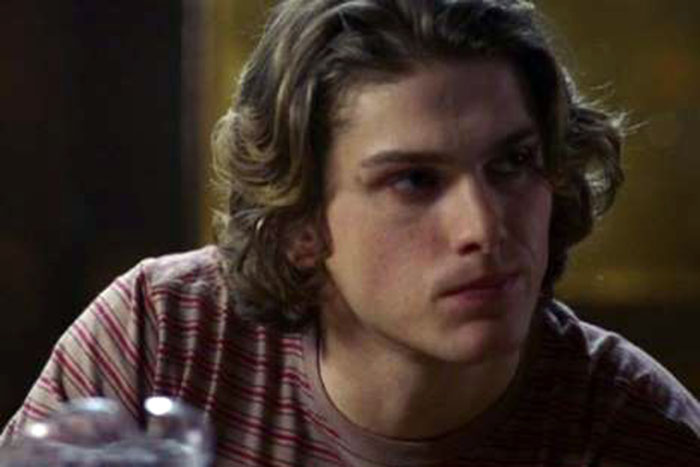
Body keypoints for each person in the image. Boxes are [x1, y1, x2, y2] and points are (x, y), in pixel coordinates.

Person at [2, 0, 699, 465]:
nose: (485, 227)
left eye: (513, 163)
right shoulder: (164, 336)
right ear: (301, 221)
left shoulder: (632, 427)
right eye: (415, 180)